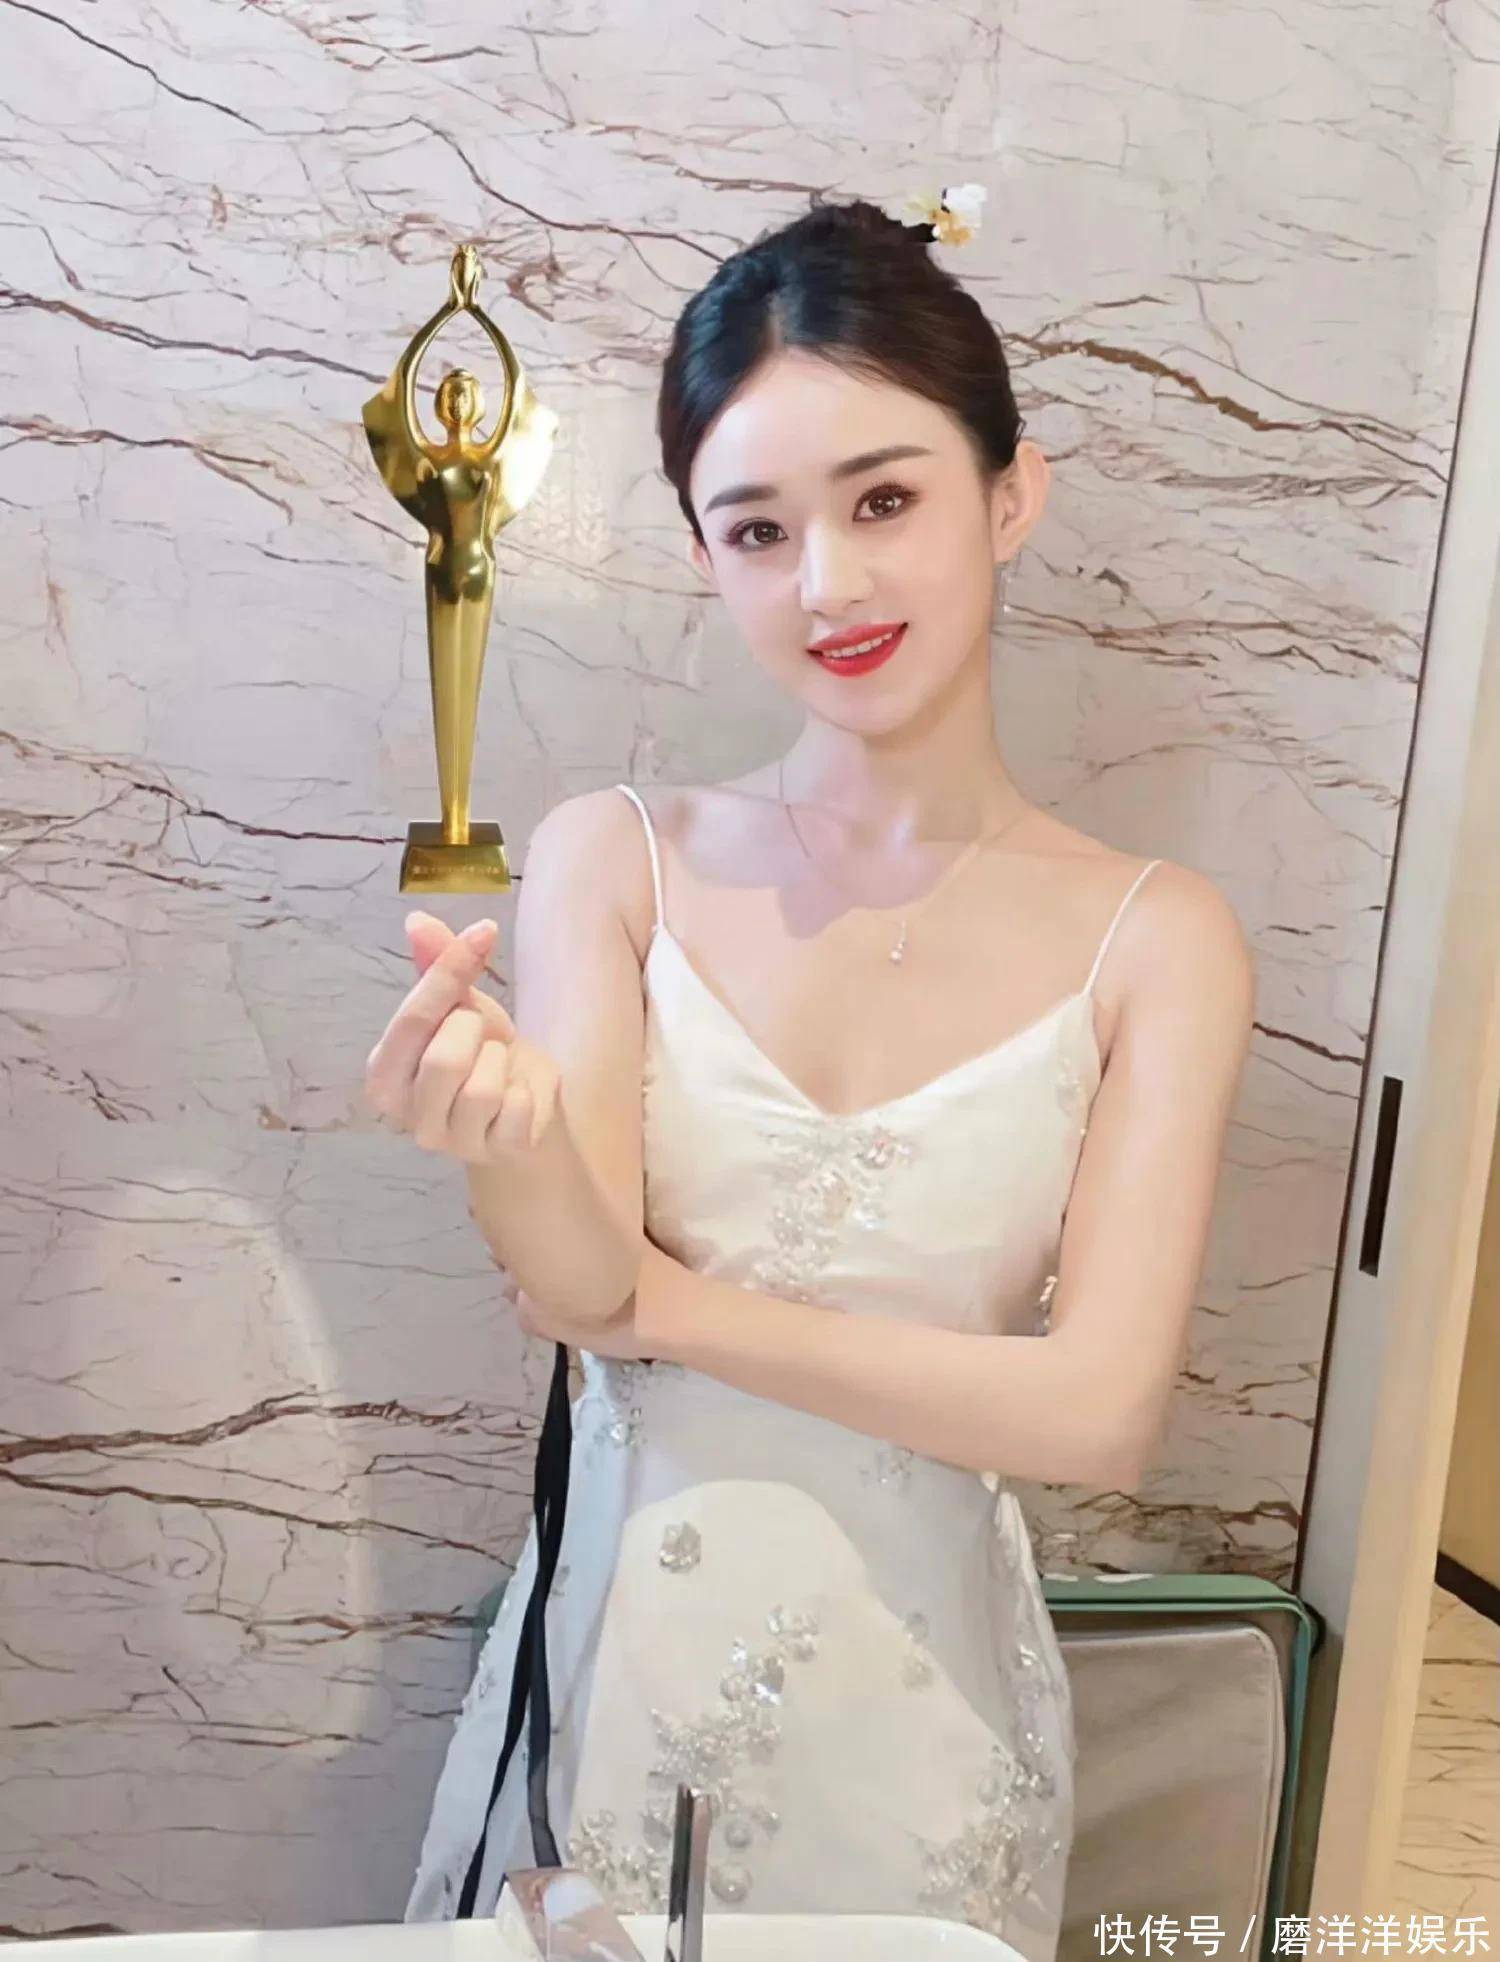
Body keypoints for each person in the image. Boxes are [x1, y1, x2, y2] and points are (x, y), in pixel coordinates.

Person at [365, 193, 1255, 1962]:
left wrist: (667, 1311)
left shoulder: (1160, 938)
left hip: (926, 1718)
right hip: (622, 1673)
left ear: (1011, 494)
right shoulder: (614, 852)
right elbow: (575, 1278)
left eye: (884, 500)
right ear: (705, 555)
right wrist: (502, 1139)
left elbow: (1096, 1413)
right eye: (758, 529)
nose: (827, 584)